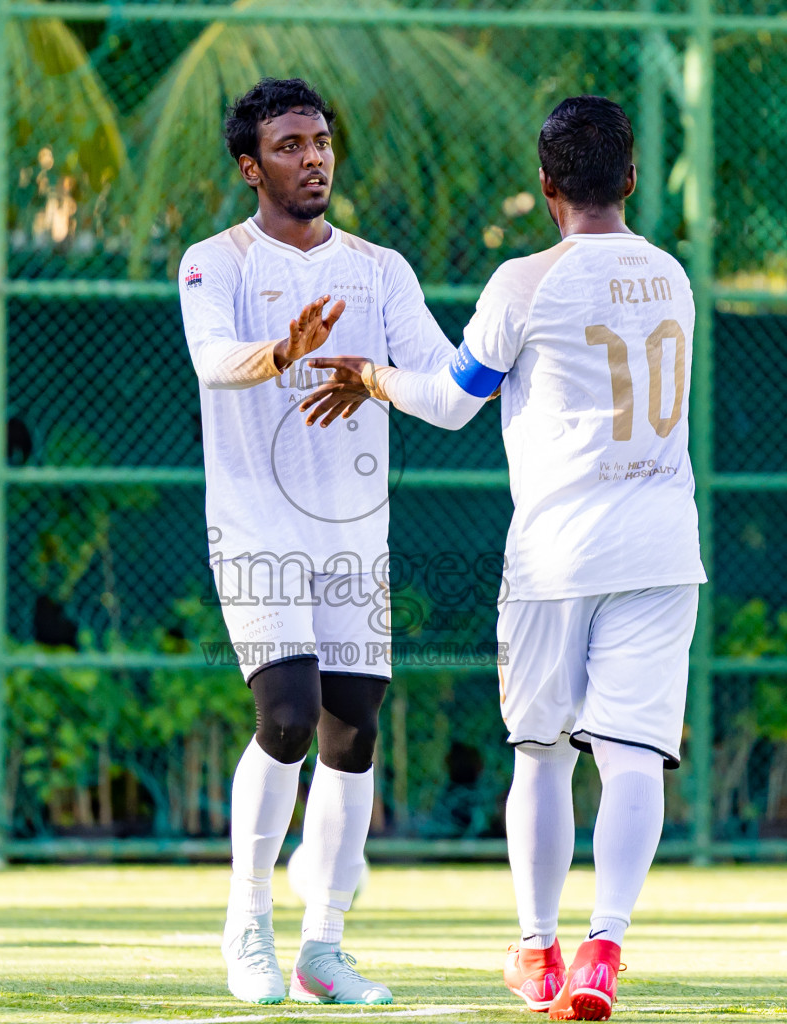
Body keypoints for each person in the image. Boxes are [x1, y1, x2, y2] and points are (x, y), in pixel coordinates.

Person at [301, 95, 705, 1021]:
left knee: (543, 753)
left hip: (559, 551)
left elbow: (450, 401)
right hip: (663, 545)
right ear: (631, 179)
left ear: (547, 186)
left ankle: (537, 949)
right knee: (636, 753)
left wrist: (370, 375)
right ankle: (607, 946)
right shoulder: (672, 275)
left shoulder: (527, 282)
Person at [177, 77, 456, 1006]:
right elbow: (216, 364)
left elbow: (442, 381)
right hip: (256, 522)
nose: (315, 158)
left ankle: (321, 950)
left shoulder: (380, 269)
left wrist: (377, 379)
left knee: (354, 731)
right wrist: (282, 354)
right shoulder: (213, 261)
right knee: (287, 716)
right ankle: (246, 923)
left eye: (322, 140)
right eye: (291, 145)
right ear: (252, 166)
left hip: (353, 534)